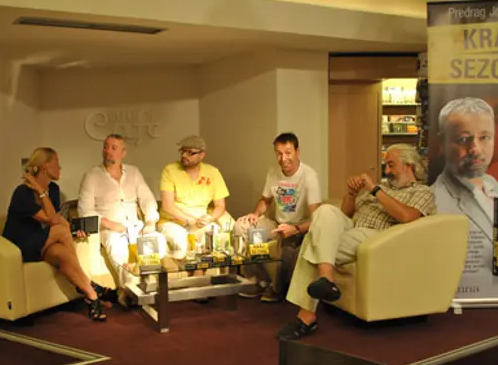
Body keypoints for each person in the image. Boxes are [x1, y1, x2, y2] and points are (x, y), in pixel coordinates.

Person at [278, 144, 435, 340]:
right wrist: (351, 193)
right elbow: (346, 213)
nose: (387, 171)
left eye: (391, 165)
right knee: (324, 212)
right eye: (386, 166)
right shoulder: (383, 188)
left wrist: (374, 189)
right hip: (352, 228)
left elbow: (406, 216)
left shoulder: (422, 191)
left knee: (314, 241)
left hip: (377, 238)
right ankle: (327, 280)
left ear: (409, 165)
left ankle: (306, 316)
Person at [2, 147, 106, 322]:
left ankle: (90, 295)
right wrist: (40, 191)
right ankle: (88, 285)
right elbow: (51, 220)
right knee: (60, 230)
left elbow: (57, 218)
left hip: (41, 241)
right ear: (44, 166)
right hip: (19, 245)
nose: (60, 168)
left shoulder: (54, 189)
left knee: (61, 253)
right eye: (56, 163)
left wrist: (74, 230)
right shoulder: (22, 193)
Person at [77, 134, 167, 299]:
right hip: (110, 229)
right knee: (118, 250)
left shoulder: (133, 172)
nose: (108, 151)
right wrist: (109, 224)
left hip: (135, 226)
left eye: (113, 148)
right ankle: (131, 292)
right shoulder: (91, 176)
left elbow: (147, 198)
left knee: (157, 241)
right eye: (106, 147)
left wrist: (150, 221)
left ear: (123, 153)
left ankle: (151, 288)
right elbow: (84, 210)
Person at [236, 132, 322, 302]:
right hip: (277, 225)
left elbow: (317, 218)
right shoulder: (273, 172)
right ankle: (258, 281)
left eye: (288, 153)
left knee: (287, 249)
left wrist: (295, 229)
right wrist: (255, 214)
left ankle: (276, 288)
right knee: (242, 226)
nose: (283, 159)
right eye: (279, 153)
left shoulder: (309, 176)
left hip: (299, 228)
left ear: (297, 152)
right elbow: (265, 200)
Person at [431, 97, 498, 272]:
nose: (475, 149)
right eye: (463, 139)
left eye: (485, 137)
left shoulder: (492, 185)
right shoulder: (434, 202)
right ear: (441, 143)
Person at [157, 135, 234, 259]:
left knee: (216, 241)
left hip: (201, 223)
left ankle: (207, 271)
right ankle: (182, 270)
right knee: (181, 244)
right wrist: (191, 220)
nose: (184, 155)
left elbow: (220, 206)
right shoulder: (170, 170)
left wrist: (209, 218)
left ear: (202, 155)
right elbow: (167, 206)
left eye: (190, 152)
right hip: (173, 222)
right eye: (182, 151)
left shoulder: (212, 172)